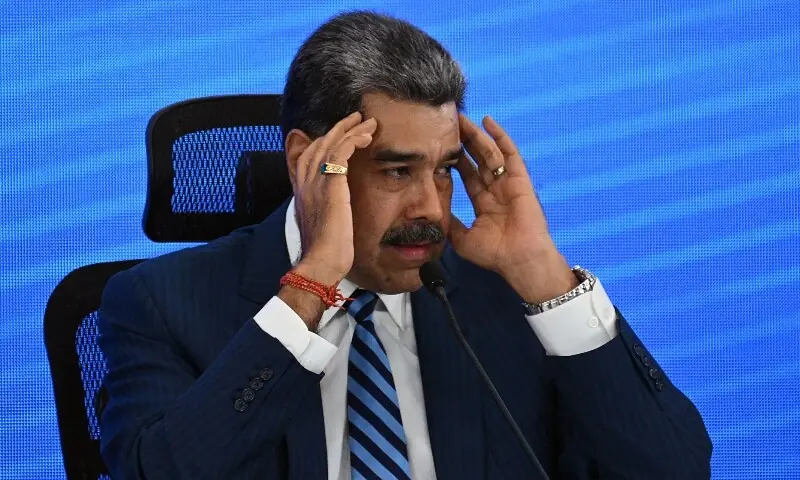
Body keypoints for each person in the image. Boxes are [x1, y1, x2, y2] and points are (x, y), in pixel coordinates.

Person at [97, 11, 712, 480]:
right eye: (396, 171)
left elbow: (674, 471)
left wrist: (546, 279)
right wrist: (310, 290)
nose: (430, 208)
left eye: (444, 169)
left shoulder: (507, 299)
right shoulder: (161, 303)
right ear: (308, 162)